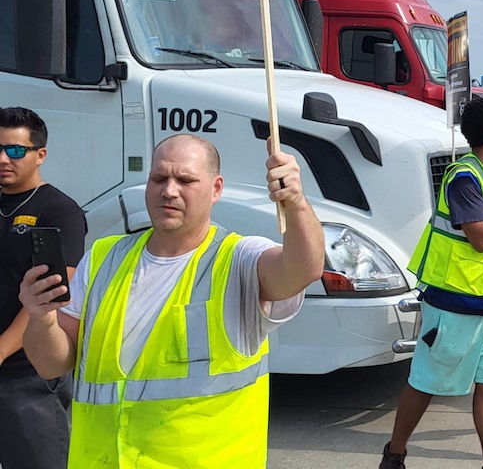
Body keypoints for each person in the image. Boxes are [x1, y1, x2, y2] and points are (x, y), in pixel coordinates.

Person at [19, 134, 325, 468]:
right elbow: (51, 364)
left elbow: (304, 269)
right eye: (159, 178)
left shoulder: (238, 259)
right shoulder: (103, 258)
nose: (169, 190)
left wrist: (294, 202)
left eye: (185, 180)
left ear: (216, 188)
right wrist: (42, 319)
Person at [381, 96, 483, 469]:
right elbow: (481, 237)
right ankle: (395, 454)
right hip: (454, 302)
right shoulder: (465, 176)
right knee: (426, 381)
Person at [0, 108, 86, 469]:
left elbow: (48, 297)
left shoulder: (59, 212)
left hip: (27, 376)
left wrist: (0, 350)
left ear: (40, 155)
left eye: (15, 150)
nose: (3, 158)